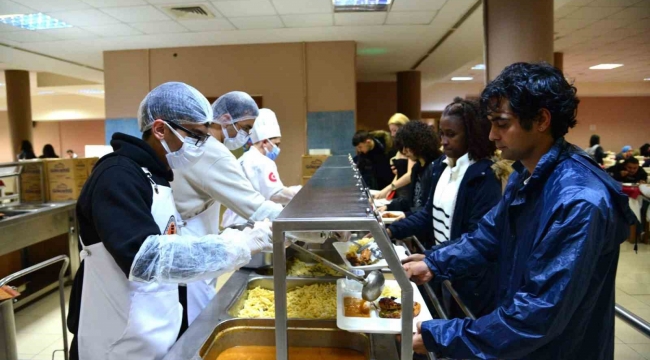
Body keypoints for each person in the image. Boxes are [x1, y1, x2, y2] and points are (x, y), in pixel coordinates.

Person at [403, 62, 636, 359]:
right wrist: (434, 263)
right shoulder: (526, 174)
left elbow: (537, 315)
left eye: (501, 124)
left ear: (541, 120)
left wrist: (442, 335)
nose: (491, 136)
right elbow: (489, 234)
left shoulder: (579, 201)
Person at [66, 82, 273, 360]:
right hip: (116, 341)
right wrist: (237, 245)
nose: (201, 145)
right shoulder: (117, 175)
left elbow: (168, 241)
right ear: (161, 129)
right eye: (197, 136)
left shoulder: (158, 175)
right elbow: (147, 258)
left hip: (153, 329)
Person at [170, 92, 284, 325]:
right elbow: (255, 206)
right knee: (197, 318)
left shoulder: (210, 148)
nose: (246, 135)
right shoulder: (211, 152)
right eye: (245, 127)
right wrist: (306, 224)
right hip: (190, 239)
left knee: (199, 301)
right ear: (224, 118)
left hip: (200, 235)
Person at [390, 97, 501, 318]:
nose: (444, 141)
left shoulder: (484, 175)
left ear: (471, 136)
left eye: (451, 135)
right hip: (446, 266)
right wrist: (391, 229)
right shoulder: (441, 167)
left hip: (471, 278)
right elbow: (427, 215)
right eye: (442, 134)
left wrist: (432, 258)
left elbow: (475, 237)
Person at [222, 108, 301, 227]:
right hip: (249, 223)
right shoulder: (263, 162)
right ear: (265, 142)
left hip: (234, 221)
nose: (277, 149)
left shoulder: (243, 159)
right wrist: (299, 193)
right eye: (276, 144)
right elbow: (274, 194)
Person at [379, 121, 441, 218]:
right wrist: (389, 207)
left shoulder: (437, 167)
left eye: (407, 147)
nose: (404, 152)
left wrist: (406, 214)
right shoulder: (417, 168)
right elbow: (412, 200)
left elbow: (430, 207)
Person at [374, 113, 416, 201]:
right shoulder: (400, 148)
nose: (392, 134)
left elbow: (410, 174)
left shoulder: (412, 147)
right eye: (391, 131)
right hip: (400, 190)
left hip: (410, 192)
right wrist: (386, 191)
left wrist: (390, 188)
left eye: (395, 130)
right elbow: (399, 175)